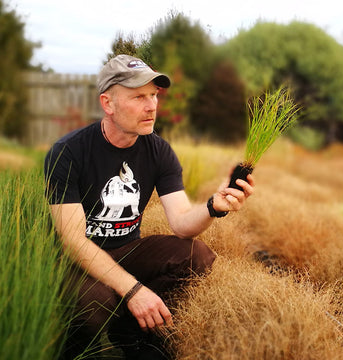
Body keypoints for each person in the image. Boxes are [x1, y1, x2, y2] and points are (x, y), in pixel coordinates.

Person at [44, 54, 254, 360]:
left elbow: (181, 222)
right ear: (108, 103)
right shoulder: (68, 152)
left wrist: (212, 206)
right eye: (138, 96)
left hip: (127, 250)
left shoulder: (158, 150)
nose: (152, 106)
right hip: (78, 261)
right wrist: (133, 291)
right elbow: (73, 241)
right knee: (95, 303)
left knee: (198, 255)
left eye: (154, 95)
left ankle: (131, 333)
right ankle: (74, 351)